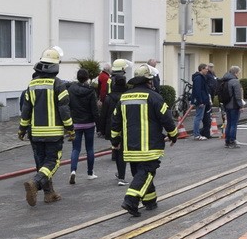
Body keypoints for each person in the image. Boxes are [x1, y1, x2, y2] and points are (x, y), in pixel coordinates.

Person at [110, 64, 178, 216]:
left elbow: (115, 121)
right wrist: (173, 135)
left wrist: (115, 141)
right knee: (146, 173)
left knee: (139, 174)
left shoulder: (124, 97)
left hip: (130, 147)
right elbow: (167, 119)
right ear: (149, 81)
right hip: (150, 146)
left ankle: (150, 201)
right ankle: (131, 200)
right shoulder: (154, 97)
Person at [20, 47, 74, 206]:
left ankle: (49, 194)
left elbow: (26, 110)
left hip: (35, 133)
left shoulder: (32, 84)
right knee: (52, 161)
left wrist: (21, 129)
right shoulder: (58, 84)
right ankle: (36, 183)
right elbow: (64, 109)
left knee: (42, 162)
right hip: (54, 133)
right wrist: (70, 129)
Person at [98, 60, 129, 184]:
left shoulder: (110, 80)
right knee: (123, 147)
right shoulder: (127, 96)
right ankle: (122, 172)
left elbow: (103, 114)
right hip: (122, 118)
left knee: (116, 142)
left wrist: (101, 128)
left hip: (111, 111)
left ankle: (115, 153)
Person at [68, 67, 100, 183]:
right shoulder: (91, 91)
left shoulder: (71, 89)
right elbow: (94, 110)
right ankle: (90, 173)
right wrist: (98, 124)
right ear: (87, 78)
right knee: (90, 149)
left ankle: (73, 171)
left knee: (75, 149)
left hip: (76, 123)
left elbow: (68, 105)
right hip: (89, 123)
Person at [221, 65, 245, 148]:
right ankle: (232, 140)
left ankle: (227, 141)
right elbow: (238, 95)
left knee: (229, 123)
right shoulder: (235, 81)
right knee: (233, 124)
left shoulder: (225, 80)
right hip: (234, 105)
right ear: (235, 73)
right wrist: (241, 106)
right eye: (238, 73)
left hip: (226, 104)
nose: (239, 74)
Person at [191, 63, 213, 140]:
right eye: (206, 69)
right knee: (198, 117)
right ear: (202, 69)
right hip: (201, 101)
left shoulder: (201, 77)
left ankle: (197, 133)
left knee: (199, 117)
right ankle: (196, 134)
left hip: (203, 100)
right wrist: (200, 101)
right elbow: (197, 91)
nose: (207, 70)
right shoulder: (199, 78)